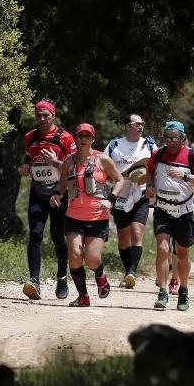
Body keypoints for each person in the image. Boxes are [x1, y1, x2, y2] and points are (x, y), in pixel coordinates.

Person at [50, 123, 124, 306]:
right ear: (76, 138)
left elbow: (120, 179)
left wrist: (111, 199)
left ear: (93, 138)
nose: (83, 139)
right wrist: (56, 194)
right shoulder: (69, 161)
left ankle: (100, 276)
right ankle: (83, 296)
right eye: (80, 135)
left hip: (97, 217)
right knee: (74, 254)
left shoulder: (102, 160)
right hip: (73, 216)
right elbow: (62, 184)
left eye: (87, 136)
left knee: (91, 259)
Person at [145, 121, 194, 311]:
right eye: (167, 137)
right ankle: (162, 291)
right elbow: (149, 172)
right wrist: (150, 186)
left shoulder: (191, 156)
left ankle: (183, 290)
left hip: (184, 211)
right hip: (162, 209)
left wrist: (185, 176)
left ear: (182, 137)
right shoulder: (157, 154)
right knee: (162, 248)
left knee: (182, 254)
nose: (170, 141)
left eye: (174, 138)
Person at [18, 99, 76, 301]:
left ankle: (62, 277)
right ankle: (34, 280)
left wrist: (56, 162)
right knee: (35, 234)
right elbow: (28, 156)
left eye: (46, 115)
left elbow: (75, 168)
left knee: (57, 236)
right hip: (37, 191)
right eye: (38, 115)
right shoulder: (30, 136)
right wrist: (25, 167)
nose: (41, 119)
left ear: (53, 115)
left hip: (58, 192)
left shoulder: (65, 138)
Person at [104, 113, 156, 289]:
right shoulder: (114, 145)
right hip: (120, 195)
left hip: (140, 195)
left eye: (142, 124)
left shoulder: (148, 144)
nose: (141, 127)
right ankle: (128, 272)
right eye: (137, 124)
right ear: (127, 126)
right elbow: (103, 167)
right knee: (123, 239)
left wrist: (148, 181)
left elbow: (156, 166)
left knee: (137, 233)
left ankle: (131, 272)